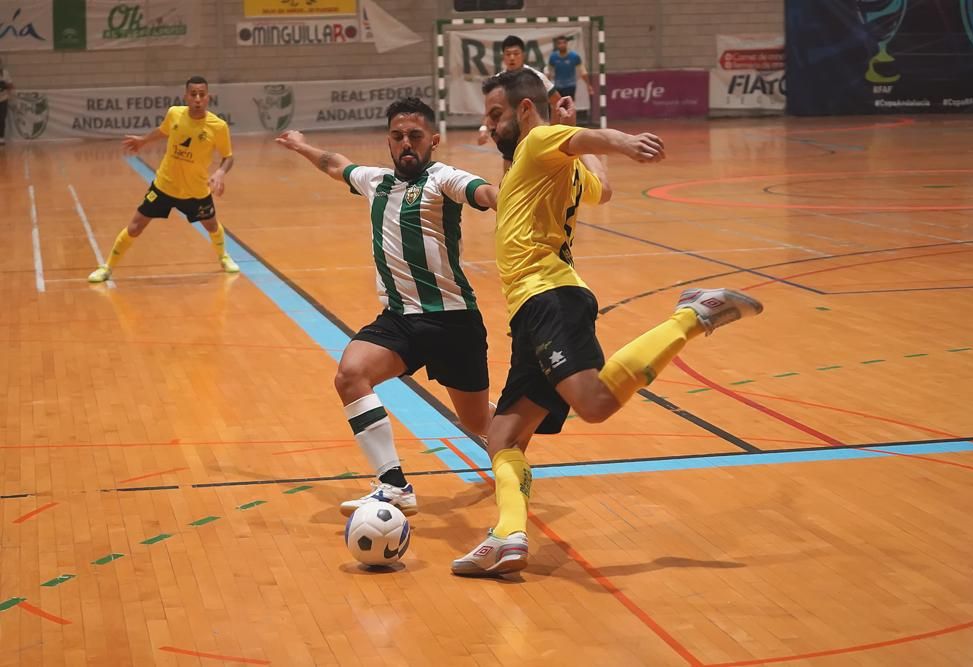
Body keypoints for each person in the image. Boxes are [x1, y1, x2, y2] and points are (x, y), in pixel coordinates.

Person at [451, 69, 764, 577]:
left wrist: (618, 139)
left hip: (550, 297)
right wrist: (585, 145)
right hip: (531, 308)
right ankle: (508, 536)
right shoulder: (546, 165)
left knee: (594, 403)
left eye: (495, 115)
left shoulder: (536, 144)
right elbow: (603, 190)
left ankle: (692, 315)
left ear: (526, 110)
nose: (489, 127)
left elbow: (580, 138)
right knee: (503, 438)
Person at [275, 97, 499, 517]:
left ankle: (513, 433)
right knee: (351, 374)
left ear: (433, 140)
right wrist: (302, 145)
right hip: (400, 320)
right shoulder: (375, 181)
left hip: (452, 321)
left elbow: (482, 192)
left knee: (477, 423)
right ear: (388, 141)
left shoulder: (443, 179)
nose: (406, 144)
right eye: (397, 137)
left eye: (415, 136)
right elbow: (334, 164)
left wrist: (507, 199)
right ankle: (394, 485)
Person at [88, 76, 239, 282]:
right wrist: (143, 140)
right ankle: (107, 267)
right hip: (165, 185)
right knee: (136, 226)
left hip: (195, 189)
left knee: (211, 225)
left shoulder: (218, 126)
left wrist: (220, 173)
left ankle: (223, 257)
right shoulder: (174, 113)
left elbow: (228, 157)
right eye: (193, 94)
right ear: (185, 96)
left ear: (208, 98)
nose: (197, 98)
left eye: (201, 95)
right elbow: (163, 130)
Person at [477, 35, 561, 170]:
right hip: (511, 135)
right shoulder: (498, 81)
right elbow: (491, 111)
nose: (512, 58)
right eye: (508, 54)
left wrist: (553, 130)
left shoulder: (537, 78)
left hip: (535, 136)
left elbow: (558, 102)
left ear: (523, 55)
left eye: (516, 54)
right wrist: (484, 129)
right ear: (503, 57)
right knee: (509, 170)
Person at [547, 35, 593, 102]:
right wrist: (547, 87)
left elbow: (583, 71)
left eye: (564, 43)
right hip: (558, 86)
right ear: (557, 45)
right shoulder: (553, 57)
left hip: (570, 85)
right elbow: (549, 72)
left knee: (569, 106)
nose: (562, 45)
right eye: (560, 43)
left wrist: (588, 85)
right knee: (559, 107)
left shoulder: (574, 56)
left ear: (566, 44)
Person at [0, 57, 13, 146]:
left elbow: (11, 86)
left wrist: (5, 84)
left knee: (1, 119)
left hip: (3, 99)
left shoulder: (5, 73)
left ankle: (1, 138)